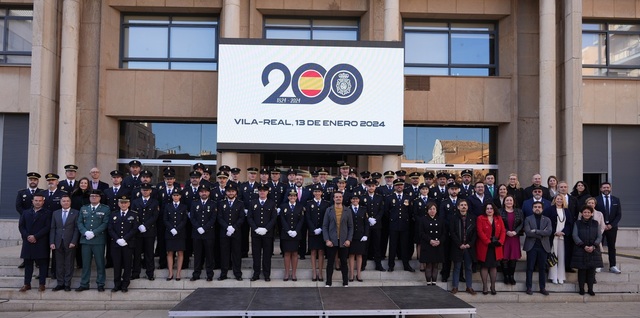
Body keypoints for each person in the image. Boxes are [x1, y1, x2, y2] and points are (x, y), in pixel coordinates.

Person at [76, 189, 110, 292]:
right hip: (85, 240)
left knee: (100, 263)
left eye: (96, 196)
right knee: (86, 264)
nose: (93, 197)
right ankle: (84, 283)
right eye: (92, 196)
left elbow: (105, 223)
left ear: (100, 198)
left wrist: (94, 233)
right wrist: (85, 232)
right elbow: (79, 222)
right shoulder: (83, 208)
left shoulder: (105, 209)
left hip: (98, 240)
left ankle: (100, 283)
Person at [18, 192, 51, 292]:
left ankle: (42, 284)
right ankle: (27, 284)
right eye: (36, 200)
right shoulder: (26, 212)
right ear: (32, 201)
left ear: (43, 201)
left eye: (40, 201)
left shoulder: (48, 213)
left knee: (42, 264)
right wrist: (28, 236)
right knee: (28, 264)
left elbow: (47, 227)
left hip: (41, 241)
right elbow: (21, 226)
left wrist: (36, 236)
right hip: (28, 241)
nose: (38, 202)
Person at [247, 185, 277, 282]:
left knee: (267, 255)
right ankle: (256, 274)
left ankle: (266, 274)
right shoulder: (253, 203)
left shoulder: (272, 203)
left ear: (267, 192)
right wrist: (255, 228)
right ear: (258, 192)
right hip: (256, 234)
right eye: (260, 191)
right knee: (256, 254)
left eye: (264, 191)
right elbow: (249, 217)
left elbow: (273, 218)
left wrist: (266, 229)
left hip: (267, 234)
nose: (262, 192)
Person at [108, 195, 139, 292]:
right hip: (116, 244)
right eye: (121, 202)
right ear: (118, 204)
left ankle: (125, 284)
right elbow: (110, 228)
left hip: (128, 244)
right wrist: (117, 239)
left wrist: (124, 239)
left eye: (125, 202)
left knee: (127, 264)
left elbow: (134, 229)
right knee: (117, 265)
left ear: (129, 203)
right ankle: (117, 284)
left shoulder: (133, 215)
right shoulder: (113, 214)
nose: (123, 204)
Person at [323, 191, 353, 287]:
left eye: (340, 197)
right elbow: (325, 226)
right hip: (332, 240)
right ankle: (328, 282)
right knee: (330, 262)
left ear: (342, 198)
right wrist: (327, 240)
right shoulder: (329, 210)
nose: (338, 198)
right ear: (333, 199)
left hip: (344, 241)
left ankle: (345, 282)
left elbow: (350, 227)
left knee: (344, 261)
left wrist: (349, 239)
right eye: (336, 197)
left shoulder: (347, 210)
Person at [49, 194, 79, 291]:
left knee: (69, 263)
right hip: (58, 242)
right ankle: (60, 283)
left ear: (70, 202)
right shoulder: (55, 213)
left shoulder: (75, 213)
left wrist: (74, 241)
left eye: (67, 201)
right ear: (60, 202)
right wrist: (52, 242)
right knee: (59, 264)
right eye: (64, 201)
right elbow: (53, 228)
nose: (66, 203)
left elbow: (76, 229)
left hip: (70, 242)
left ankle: (67, 284)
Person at [571, 206, 603, 296]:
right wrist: (584, 246)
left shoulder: (596, 223)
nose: (587, 214)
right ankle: (581, 289)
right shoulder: (577, 223)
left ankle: (590, 289)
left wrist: (593, 246)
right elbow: (575, 236)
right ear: (582, 213)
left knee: (591, 271)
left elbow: (599, 236)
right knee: (582, 271)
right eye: (585, 212)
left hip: (593, 250)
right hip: (581, 250)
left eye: (588, 212)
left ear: (592, 213)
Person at [131, 183, 159, 281]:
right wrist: (139, 225)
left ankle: (150, 273)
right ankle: (135, 272)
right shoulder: (135, 202)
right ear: (140, 191)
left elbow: (155, 216)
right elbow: (133, 215)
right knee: (137, 253)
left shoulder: (155, 202)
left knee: (149, 253)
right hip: (138, 231)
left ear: (150, 191)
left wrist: (145, 225)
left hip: (149, 231)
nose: (145, 191)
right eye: (143, 190)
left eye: (147, 190)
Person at [386, 178, 414, 272]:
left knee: (404, 246)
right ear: (394, 186)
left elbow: (410, 212)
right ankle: (391, 265)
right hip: (393, 225)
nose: (399, 187)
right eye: (397, 185)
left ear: (403, 186)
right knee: (393, 246)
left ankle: (406, 265)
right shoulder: (390, 197)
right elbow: (386, 212)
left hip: (404, 225)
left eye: (401, 185)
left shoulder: (407, 197)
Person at [476, 203, 505, 295]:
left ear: (494, 209)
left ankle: (493, 286)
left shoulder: (498, 218)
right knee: (484, 266)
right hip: (485, 246)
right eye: (487, 208)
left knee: (493, 266)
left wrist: (500, 241)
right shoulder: (480, 218)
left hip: (496, 246)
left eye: (491, 208)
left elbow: (503, 231)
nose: (489, 210)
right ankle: (485, 286)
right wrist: (488, 242)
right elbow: (479, 231)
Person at [218, 182, 245, 281]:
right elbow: (219, 217)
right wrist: (227, 227)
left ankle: (237, 273)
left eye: (232, 191)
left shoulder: (240, 203)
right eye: (229, 191)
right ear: (226, 193)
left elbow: (242, 217)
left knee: (236, 253)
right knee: (224, 253)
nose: (230, 193)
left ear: (236, 193)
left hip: (236, 232)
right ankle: (223, 273)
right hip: (224, 232)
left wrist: (233, 227)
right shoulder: (221, 203)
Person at [523, 201, 552, 295]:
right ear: (532, 209)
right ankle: (529, 287)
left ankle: (542, 288)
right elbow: (527, 232)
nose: (537, 208)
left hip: (543, 247)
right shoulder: (528, 219)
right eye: (535, 207)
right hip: (532, 247)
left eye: (539, 207)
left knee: (542, 268)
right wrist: (541, 233)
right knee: (530, 268)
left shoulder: (547, 219)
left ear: (542, 209)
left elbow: (549, 232)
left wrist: (535, 231)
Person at [15, 172, 43, 269]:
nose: (33, 181)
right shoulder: (21, 193)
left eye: (35, 180)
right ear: (28, 181)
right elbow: (18, 206)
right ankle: (26, 260)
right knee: (26, 240)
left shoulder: (42, 192)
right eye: (31, 180)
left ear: (38, 181)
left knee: (38, 240)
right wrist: (27, 215)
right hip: (26, 221)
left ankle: (38, 260)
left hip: (39, 220)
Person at [449, 199, 476, 295]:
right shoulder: (453, 218)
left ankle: (469, 287)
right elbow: (452, 232)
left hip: (469, 247)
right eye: (462, 205)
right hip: (458, 247)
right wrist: (459, 244)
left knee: (468, 267)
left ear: (467, 207)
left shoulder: (472, 218)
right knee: (457, 267)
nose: (464, 206)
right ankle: (455, 287)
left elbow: (474, 233)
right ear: (458, 207)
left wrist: (470, 244)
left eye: (465, 205)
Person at [190, 184, 217, 282]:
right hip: (197, 233)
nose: (204, 193)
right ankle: (196, 274)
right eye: (202, 191)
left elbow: (213, 218)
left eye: (205, 191)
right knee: (197, 255)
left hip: (208, 233)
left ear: (209, 193)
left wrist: (205, 228)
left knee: (209, 254)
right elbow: (192, 217)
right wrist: (198, 227)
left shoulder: (213, 204)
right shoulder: (194, 203)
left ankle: (209, 274)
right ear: (199, 193)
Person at [544, 194, 573, 284]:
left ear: (563, 200)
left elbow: (569, 223)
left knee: (561, 257)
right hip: (553, 237)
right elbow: (545, 223)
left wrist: (563, 232)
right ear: (554, 200)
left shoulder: (567, 211)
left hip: (563, 237)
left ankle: (561, 276)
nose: (559, 200)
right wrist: (553, 232)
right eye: (557, 199)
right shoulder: (549, 210)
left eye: (561, 199)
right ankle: (553, 276)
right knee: (553, 256)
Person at [305, 184, 331, 281]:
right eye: (315, 192)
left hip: (322, 231)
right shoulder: (309, 203)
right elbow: (307, 217)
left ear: (322, 193)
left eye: (319, 191)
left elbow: (327, 217)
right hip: (313, 231)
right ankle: (314, 272)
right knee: (313, 251)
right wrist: (313, 229)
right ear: (313, 193)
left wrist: (321, 228)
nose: (317, 193)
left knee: (321, 251)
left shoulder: (326, 203)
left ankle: (320, 272)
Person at [595, 182, 622, 274]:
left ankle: (613, 265)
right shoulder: (596, 199)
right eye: (604, 187)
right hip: (599, 228)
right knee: (598, 246)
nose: (606, 189)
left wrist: (611, 225)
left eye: (607, 187)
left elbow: (619, 215)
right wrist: (602, 225)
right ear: (600, 189)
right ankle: (598, 265)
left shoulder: (616, 200)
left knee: (611, 247)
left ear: (610, 188)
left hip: (612, 228)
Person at [418, 201, 446, 285]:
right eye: (430, 209)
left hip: (438, 245)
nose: (432, 211)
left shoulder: (441, 219)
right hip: (427, 245)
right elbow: (421, 232)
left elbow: (444, 233)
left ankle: (434, 282)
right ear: (427, 210)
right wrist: (430, 240)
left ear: (437, 210)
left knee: (436, 265)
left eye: (434, 209)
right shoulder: (423, 219)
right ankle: (428, 282)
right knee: (429, 265)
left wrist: (439, 241)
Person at [279, 189, 304, 281]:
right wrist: (288, 230)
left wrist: (296, 231)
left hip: (296, 234)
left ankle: (293, 273)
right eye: (291, 196)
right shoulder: (283, 206)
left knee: (295, 253)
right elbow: (282, 219)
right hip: (286, 234)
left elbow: (301, 220)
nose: (292, 197)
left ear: (296, 197)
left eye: (294, 196)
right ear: (288, 197)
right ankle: (286, 273)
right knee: (287, 253)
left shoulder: (300, 207)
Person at [499, 195, 523, 285]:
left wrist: (515, 232)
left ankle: (511, 276)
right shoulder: (499, 211)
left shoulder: (519, 211)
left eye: (511, 200)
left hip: (514, 237)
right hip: (504, 237)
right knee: (504, 257)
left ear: (513, 202)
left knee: (513, 258)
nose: (509, 202)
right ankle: (506, 276)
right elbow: (498, 223)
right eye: (507, 200)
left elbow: (522, 223)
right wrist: (506, 231)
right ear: (504, 202)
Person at [164, 191, 188, 281]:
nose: (175, 197)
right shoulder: (167, 206)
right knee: (170, 252)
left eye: (177, 195)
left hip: (180, 232)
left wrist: (177, 229)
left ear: (180, 196)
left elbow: (184, 220)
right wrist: (171, 228)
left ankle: (178, 273)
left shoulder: (184, 206)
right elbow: (165, 219)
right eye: (174, 195)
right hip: (170, 232)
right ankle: (170, 273)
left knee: (180, 252)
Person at [348, 195, 369, 282]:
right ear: (351, 200)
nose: (355, 200)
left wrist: (366, 235)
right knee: (351, 255)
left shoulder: (363, 209)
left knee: (359, 255)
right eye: (353, 199)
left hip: (361, 236)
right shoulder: (347, 209)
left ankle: (359, 274)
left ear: (359, 200)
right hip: (351, 235)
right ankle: (351, 274)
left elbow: (366, 224)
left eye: (356, 199)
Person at [583, 197, 606, 272]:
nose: (591, 204)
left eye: (592, 203)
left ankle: (597, 265)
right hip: (585, 236)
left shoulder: (599, 214)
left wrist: (598, 234)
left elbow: (602, 226)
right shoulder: (582, 213)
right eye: (589, 203)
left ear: (595, 204)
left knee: (597, 250)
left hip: (596, 236)